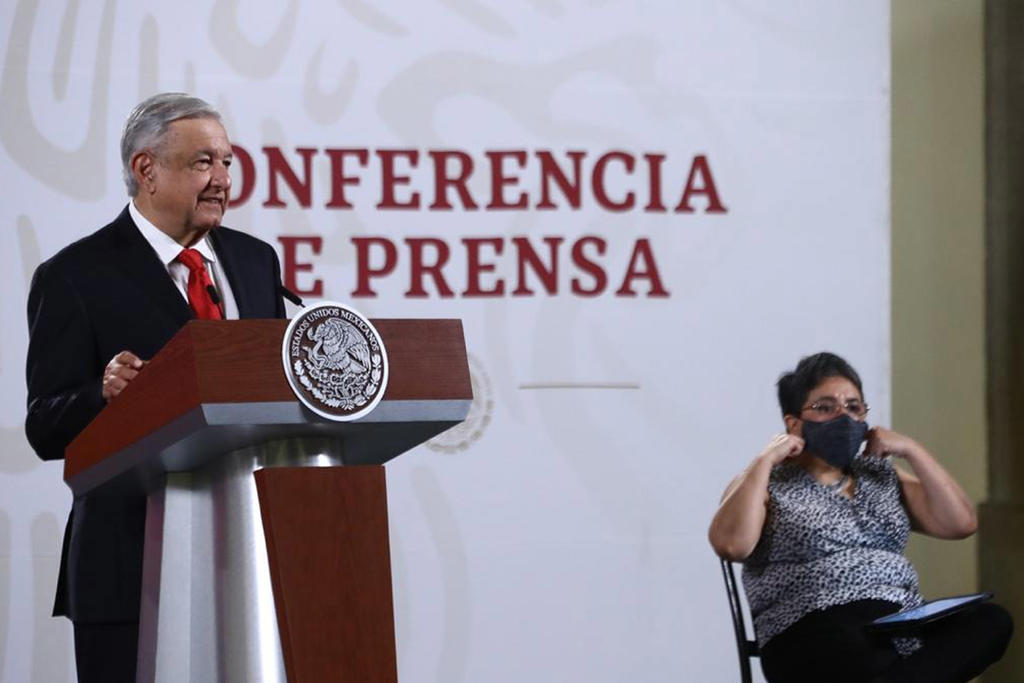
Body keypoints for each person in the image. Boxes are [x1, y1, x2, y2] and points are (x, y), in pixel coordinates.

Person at [24, 93, 286, 683]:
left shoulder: (254, 261)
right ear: (147, 170)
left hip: (252, 561)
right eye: (203, 163)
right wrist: (101, 395)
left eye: (227, 162)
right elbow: (44, 425)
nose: (222, 180)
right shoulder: (75, 275)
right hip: (130, 566)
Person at [708, 352, 1013, 683]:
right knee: (856, 650)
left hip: (898, 621)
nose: (844, 417)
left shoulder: (880, 475)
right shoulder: (766, 481)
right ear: (793, 422)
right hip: (810, 627)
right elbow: (730, 545)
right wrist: (765, 460)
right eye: (825, 407)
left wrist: (912, 450)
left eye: (854, 407)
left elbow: (960, 524)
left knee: (990, 621)